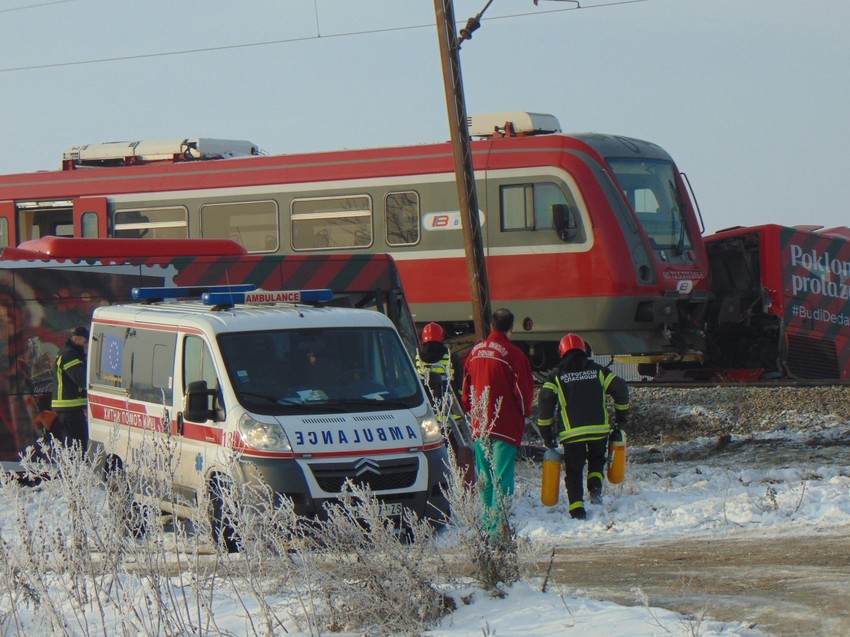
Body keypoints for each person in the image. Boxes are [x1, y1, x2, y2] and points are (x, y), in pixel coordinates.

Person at [536, 333, 629, 520]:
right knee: (596, 461)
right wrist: (621, 419)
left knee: (574, 469)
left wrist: (547, 434)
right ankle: (595, 489)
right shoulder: (598, 371)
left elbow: (545, 404)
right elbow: (621, 389)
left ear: (561, 353)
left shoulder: (555, 377)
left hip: (572, 434)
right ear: (584, 350)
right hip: (598, 430)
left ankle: (577, 508)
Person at [462, 308, 534, 541]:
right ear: (511, 327)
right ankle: (498, 531)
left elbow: (465, 391)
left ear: (491, 326)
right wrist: (524, 414)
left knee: (484, 477)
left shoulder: (473, 353)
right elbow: (522, 392)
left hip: (480, 424)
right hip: (504, 426)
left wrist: (472, 412)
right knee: (502, 478)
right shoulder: (514, 355)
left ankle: (487, 525)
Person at [51, 325, 90, 450]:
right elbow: (81, 379)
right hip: (69, 407)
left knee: (74, 444)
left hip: (69, 408)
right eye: (85, 341)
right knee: (77, 445)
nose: (86, 344)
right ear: (77, 339)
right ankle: (76, 468)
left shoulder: (69, 352)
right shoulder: (69, 354)